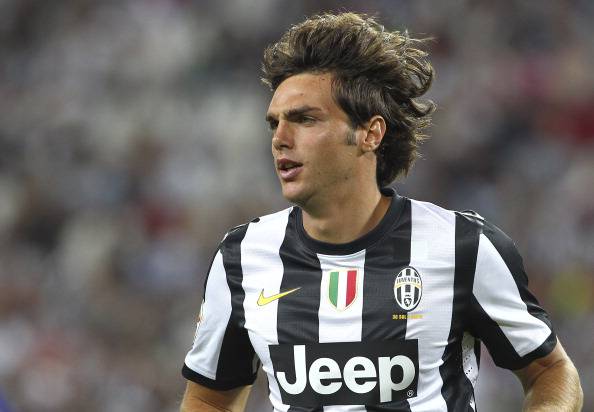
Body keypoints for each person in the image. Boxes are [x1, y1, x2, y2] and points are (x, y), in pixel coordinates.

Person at [180, 12, 583, 412]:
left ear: (370, 133)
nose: (280, 138)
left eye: (304, 119)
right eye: (274, 123)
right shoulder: (241, 257)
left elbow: (551, 372)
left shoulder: (462, 247)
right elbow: (209, 399)